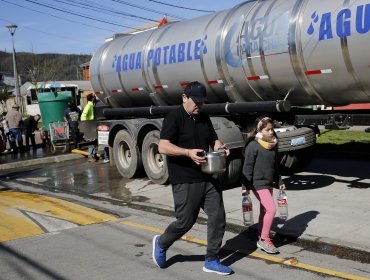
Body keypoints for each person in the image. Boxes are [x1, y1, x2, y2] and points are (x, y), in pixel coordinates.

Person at [153, 81, 232, 275]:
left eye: (202, 102)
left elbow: (213, 139)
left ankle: (211, 259)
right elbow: (163, 146)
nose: (199, 105)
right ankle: (162, 242)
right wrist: (188, 153)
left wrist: (220, 146)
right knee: (185, 222)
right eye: (195, 101)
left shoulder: (204, 116)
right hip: (185, 178)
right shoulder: (174, 117)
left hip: (207, 175)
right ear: (184, 98)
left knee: (218, 217)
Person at [241, 116, 286, 254]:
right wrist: (245, 186)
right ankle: (264, 240)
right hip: (257, 183)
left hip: (269, 183)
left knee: (265, 211)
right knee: (271, 209)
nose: (271, 132)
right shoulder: (253, 145)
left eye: (272, 129)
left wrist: (279, 182)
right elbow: (247, 167)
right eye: (268, 130)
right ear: (259, 130)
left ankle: (262, 234)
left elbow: (275, 167)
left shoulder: (273, 145)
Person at [81, 93, 97, 162]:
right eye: (94, 97)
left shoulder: (91, 105)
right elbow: (83, 116)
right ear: (92, 99)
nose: (95, 98)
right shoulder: (89, 105)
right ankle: (90, 156)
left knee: (93, 140)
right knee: (91, 141)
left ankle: (93, 155)